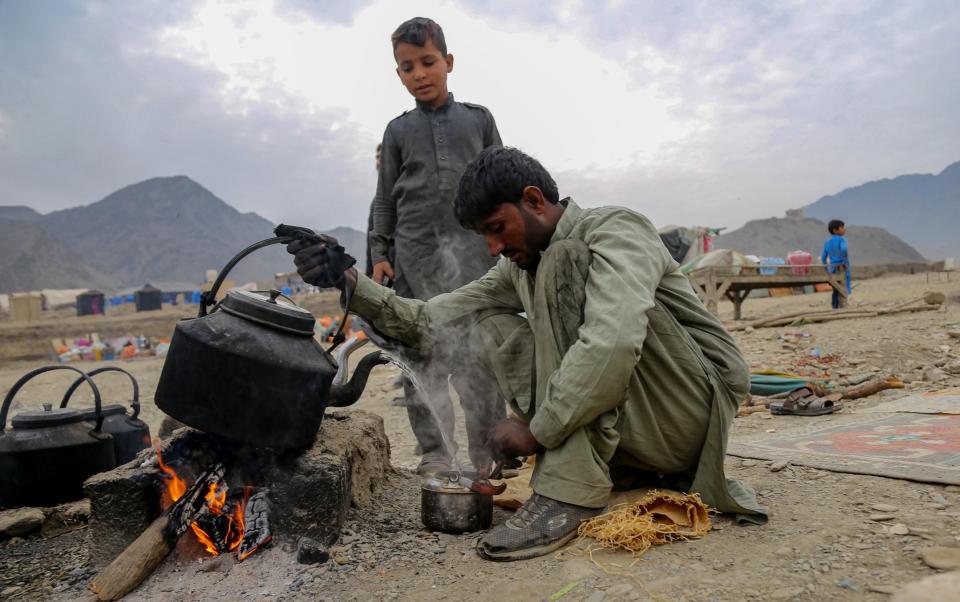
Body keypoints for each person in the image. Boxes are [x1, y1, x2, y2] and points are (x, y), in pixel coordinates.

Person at [288, 146, 767, 562]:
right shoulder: (516, 268)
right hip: (639, 440)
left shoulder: (616, 230)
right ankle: (596, 469)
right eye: (484, 237)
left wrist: (537, 429)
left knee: (566, 260)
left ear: (534, 200)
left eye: (497, 228)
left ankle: (568, 491)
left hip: (687, 413)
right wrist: (348, 281)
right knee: (482, 323)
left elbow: (615, 341)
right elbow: (429, 320)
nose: (494, 246)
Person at [369, 17, 505, 476]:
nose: (419, 74)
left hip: (474, 262)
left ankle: (490, 454)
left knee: (480, 358)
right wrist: (380, 255)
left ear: (448, 62)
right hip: (414, 261)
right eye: (407, 68)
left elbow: (499, 181)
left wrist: (503, 241)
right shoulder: (396, 131)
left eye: (428, 62)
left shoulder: (479, 119)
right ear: (398, 74)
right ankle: (436, 453)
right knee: (422, 359)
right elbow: (385, 197)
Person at [821, 219, 851, 309]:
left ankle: (834, 305)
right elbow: (844, 249)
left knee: (835, 287)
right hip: (841, 267)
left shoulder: (827, 242)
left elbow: (823, 257)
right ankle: (843, 305)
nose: (844, 229)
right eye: (842, 228)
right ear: (835, 230)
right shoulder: (842, 240)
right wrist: (844, 261)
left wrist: (826, 269)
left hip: (832, 268)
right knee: (843, 285)